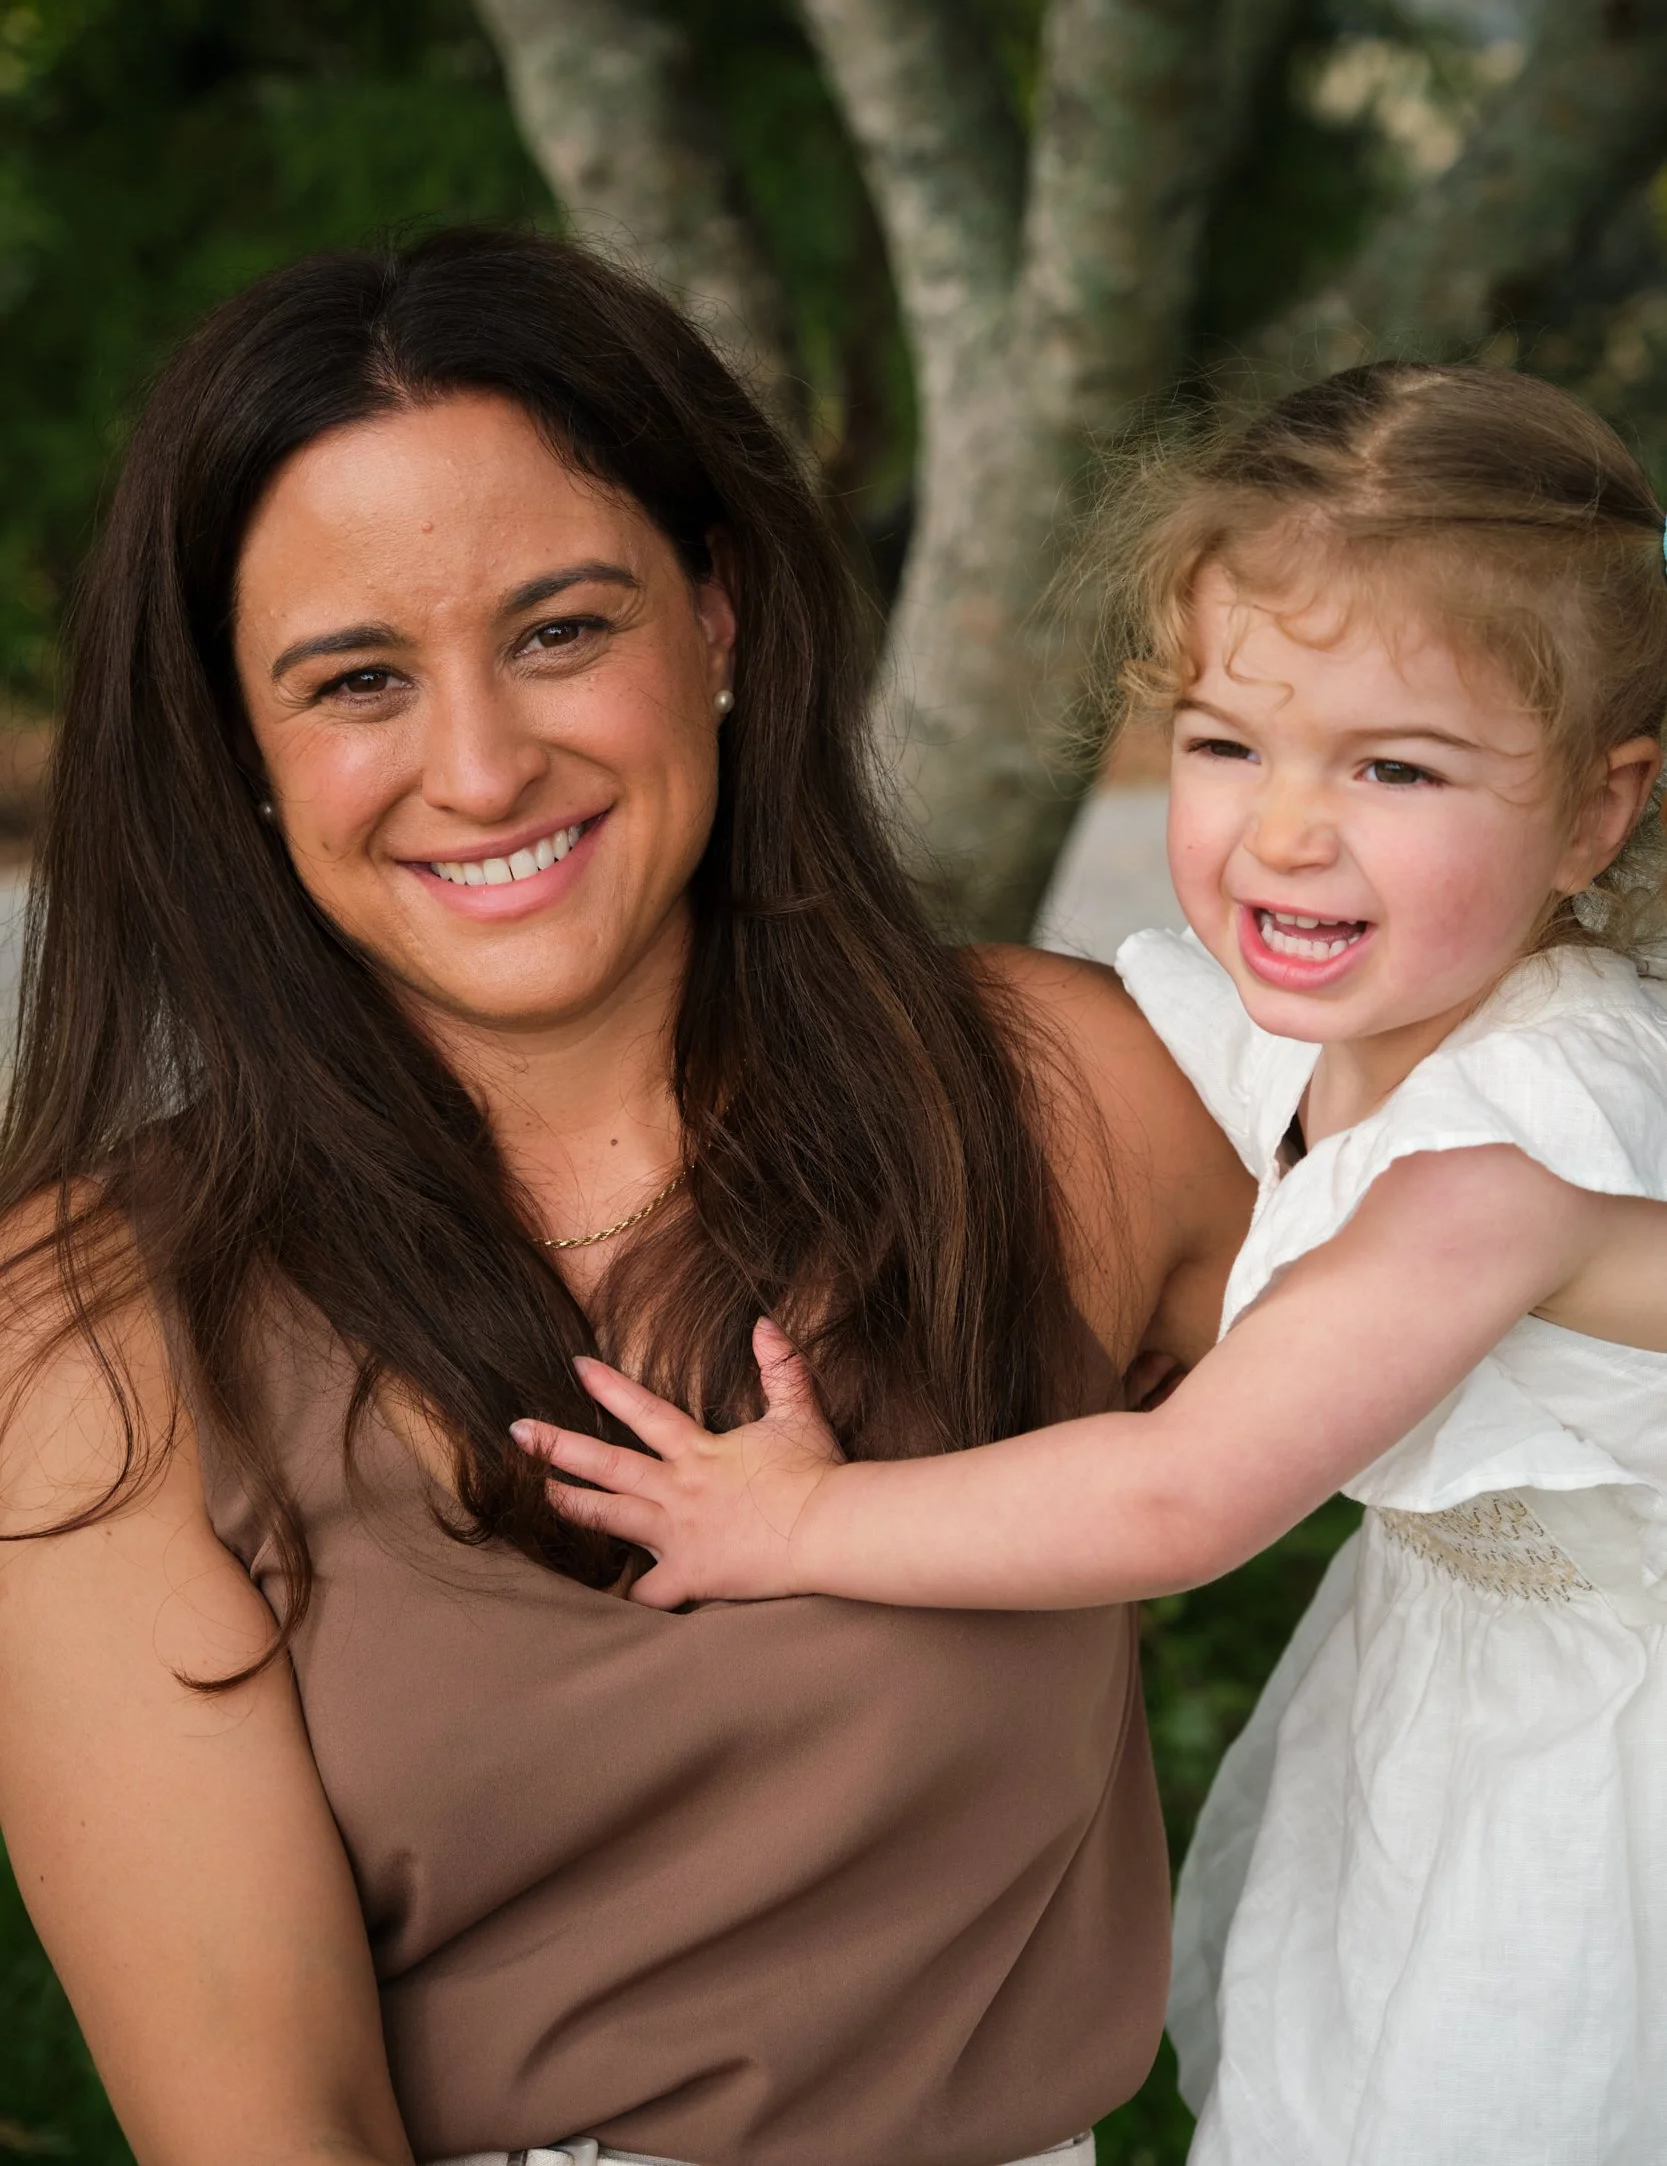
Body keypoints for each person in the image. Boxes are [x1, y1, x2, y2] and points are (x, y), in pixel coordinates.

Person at [0, 227, 1255, 2166]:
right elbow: (267, 2126)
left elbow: (1559, 1430)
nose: (484, 765)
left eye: (563, 628)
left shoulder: (1057, 1102)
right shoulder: (88, 1331)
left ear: (720, 614)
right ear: (236, 744)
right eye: (354, 679)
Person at [526, 362, 1667, 2165]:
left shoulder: (1502, 1164)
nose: (1285, 829)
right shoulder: (1324, 1023)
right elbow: (1035, 1028)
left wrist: (797, 1528)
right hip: (1449, 1702)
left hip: (1594, 1782)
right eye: (1226, 744)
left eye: (1393, 766)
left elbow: (1176, 1502)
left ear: (1599, 814)